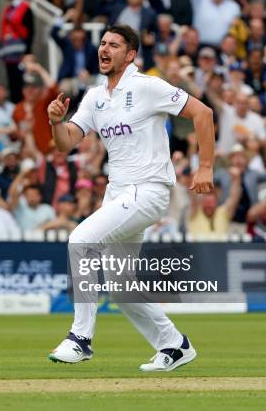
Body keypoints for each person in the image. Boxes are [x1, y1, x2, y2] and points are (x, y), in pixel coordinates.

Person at [46, 24, 215, 371]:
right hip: (118, 194)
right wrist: (54, 122)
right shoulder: (94, 97)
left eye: (114, 45)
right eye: (103, 43)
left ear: (131, 55)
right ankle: (175, 345)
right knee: (121, 286)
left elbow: (203, 113)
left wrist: (206, 167)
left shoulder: (146, 86)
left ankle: (80, 339)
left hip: (149, 190)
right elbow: (66, 143)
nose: (104, 49)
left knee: (80, 241)